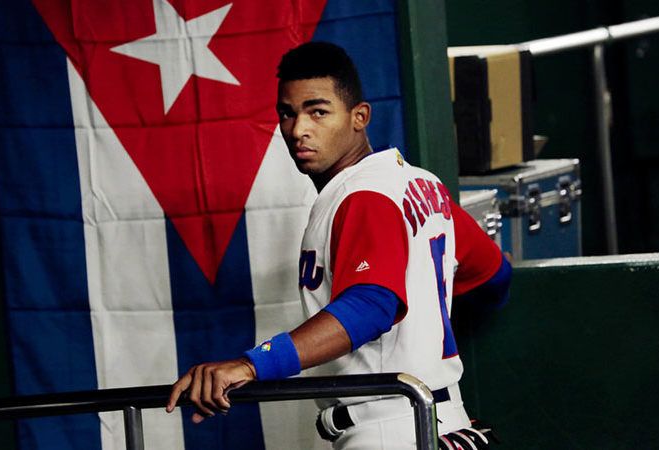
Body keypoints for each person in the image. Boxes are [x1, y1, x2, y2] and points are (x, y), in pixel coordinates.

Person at [166, 41, 511, 450]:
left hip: (389, 427)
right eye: (287, 113)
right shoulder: (420, 183)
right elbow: (495, 276)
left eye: (318, 111)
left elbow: (371, 305)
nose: (298, 129)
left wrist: (250, 364)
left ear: (359, 117)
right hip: (442, 420)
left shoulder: (361, 193)